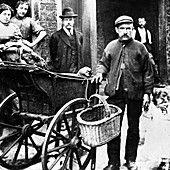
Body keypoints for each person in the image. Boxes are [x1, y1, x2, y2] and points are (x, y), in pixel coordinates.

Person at [92, 15, 154, 170]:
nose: (125, 31)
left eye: (128, 28)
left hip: (135, 93)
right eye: (122, 28)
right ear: (116, 30)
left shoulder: (140, 48)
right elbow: (102, 63)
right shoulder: (111, 46)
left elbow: (148, 72)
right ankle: (113, 162)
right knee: (113, 129)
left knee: (133, 127)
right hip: (115, 94)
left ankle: (131, 160)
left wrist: (147, 93)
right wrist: (100, 72)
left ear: (132, 30)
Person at [49, 7, 91, 77]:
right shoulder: (56, 36)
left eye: (70, 20)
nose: (68, 22)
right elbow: (53, 56)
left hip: (77, 71)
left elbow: (80, 53)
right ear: (62, 21)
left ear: (73, 21)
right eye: (66, 20)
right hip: (62, 72)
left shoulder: (79, 35)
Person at [10, 0, 47, 65]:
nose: (23, 11)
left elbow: (43, 33)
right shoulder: (10, 21)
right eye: (21, 8)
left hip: (26, 50)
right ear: (16, 8)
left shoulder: (29, 20)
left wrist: (32, 44)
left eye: (25, 9)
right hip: (13, 50)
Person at [133, 17, 165, 88]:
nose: (141, 23)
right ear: (138, 23)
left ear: (145, 22)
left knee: (152, 63)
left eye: (142, 22)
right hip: (138, 49)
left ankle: (157, 81)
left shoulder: (147, 31)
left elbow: (150, 42)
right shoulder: (135, 31)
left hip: (146, 48)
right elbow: (133, 42)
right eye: (140, 22)